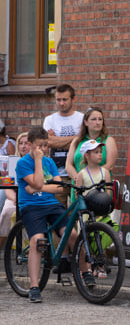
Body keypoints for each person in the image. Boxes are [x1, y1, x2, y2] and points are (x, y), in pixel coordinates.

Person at [15, 127, 79, 303]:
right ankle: (34, 286)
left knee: (72, 234)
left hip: (51, 204)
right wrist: (37, 161)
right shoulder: (23, 163)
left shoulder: (50, 163)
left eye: (45, 145)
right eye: (39, 146)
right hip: (31, 207)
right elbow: (35, 181)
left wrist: (39, 187)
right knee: (38, 241)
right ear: (29, 145)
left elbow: (59, 187)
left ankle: (85, 273)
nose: (43, 149)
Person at [43, 84, 84, 206]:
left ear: (73, 99)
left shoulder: (82, 118)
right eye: (58, 100)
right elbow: (47, 143)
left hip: (77, 174)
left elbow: (82, 144)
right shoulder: (50, 120)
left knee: (77, 214)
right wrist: (75, 139)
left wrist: (56, 140)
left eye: (65, 99)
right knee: (57, 213)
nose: (61, 103)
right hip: (56, 175)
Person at [64, 106, 118, 184]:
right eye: (93, 119)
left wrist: (88, 178)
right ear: (86, 122)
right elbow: (68, 165)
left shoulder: (108, 141)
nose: (97, 122)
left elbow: (110, 165)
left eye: (100, 119)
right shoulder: (77, 141)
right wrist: (78, 178)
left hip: (99, 187)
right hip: (79, 187)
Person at [0, 133, 30, 253]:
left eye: (26, 143)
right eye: (20, 143)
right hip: (15, 198)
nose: (23, 146)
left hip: (31, 198)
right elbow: (8, 189)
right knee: (7, 211)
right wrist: (17, 199)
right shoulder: (13, 162)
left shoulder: (38, 162)